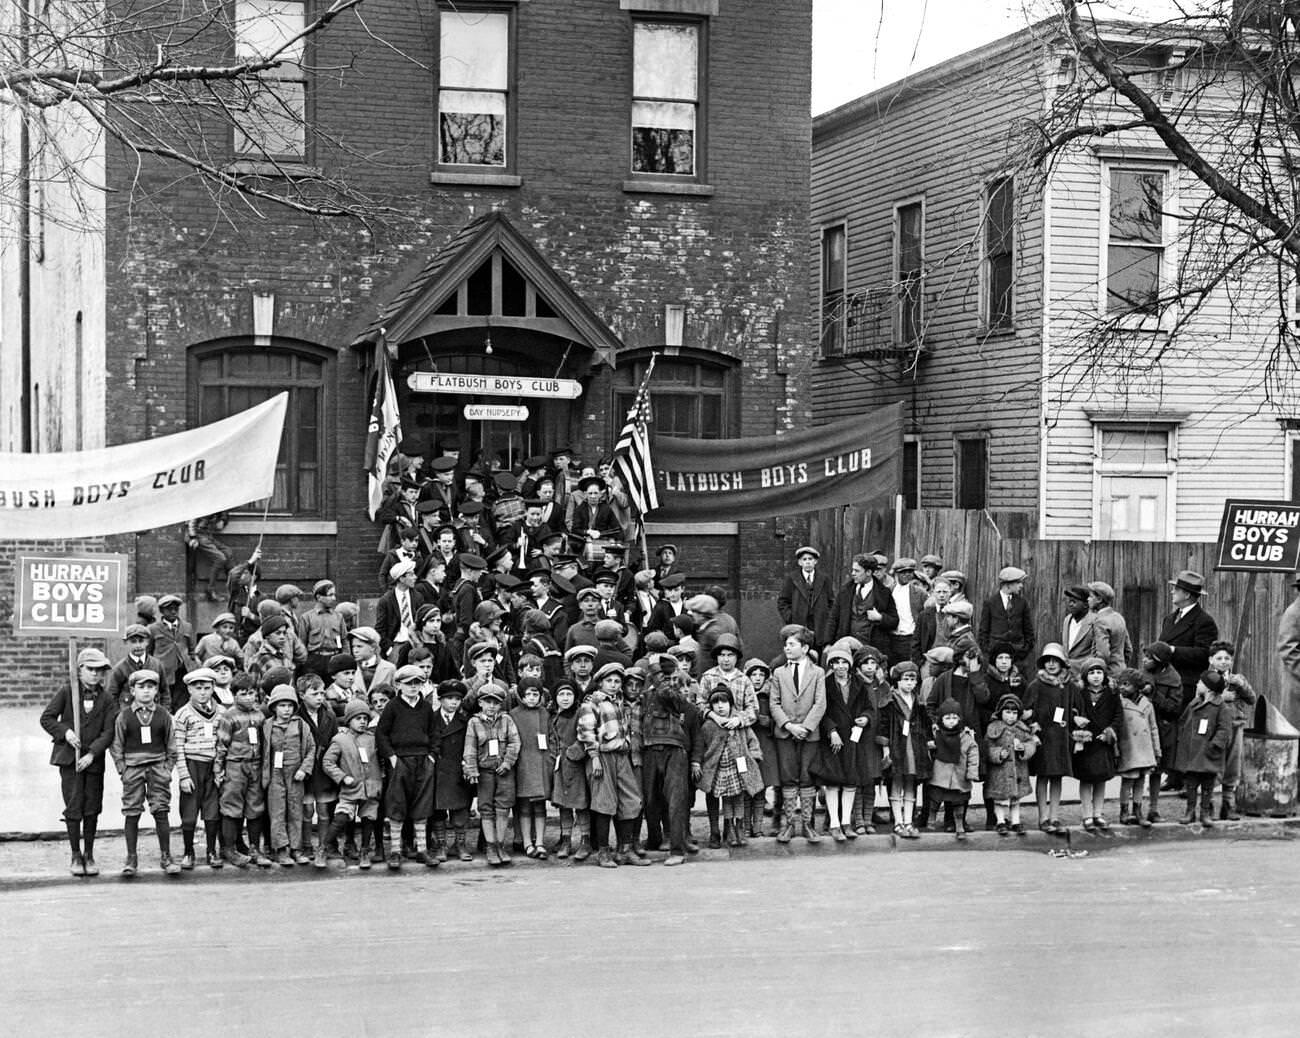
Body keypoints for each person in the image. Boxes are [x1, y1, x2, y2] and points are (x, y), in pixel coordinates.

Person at [40, 646, 118, 876]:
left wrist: (92, 753)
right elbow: (47, 718)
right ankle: (75, 854)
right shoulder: (67, 692)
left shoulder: (107, 699)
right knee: (73, 807)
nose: (95, 674)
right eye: (91, 669)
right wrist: (65, 732)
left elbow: (108, 731)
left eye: (100, 670)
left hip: (93, 763)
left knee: (92, 807)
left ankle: (89, 854)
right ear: (80, 669)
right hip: (69, 761)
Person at [110, 669, 179, 876]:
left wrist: (167, 768)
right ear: (132, 690)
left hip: (158, 767)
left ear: (157, 690)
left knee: (161, 810)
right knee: (132, 811)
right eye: (141, 687)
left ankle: (166, 855)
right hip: (133, 768)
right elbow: (116, 745)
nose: (146, 692)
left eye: (151, 687)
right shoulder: (124, 716)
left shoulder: (163, 715)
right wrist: (123, 769)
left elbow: (171, 744)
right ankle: (131, 857)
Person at [376, 664, 439, 869]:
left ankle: (421, 850)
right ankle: (395, 851)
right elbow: (382, 734)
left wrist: (431, 756)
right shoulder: (392, 707)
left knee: (422, 803)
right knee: (397, 803)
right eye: (408, 683)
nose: (413, 687)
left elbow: (434, 734)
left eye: (417, 683)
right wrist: (392, 757)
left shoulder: (426, 707)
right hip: (400, 761)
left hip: (423, 761)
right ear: (399, 685)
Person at [770, 624, 827, 844]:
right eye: (786, 645)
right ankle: (788, 825)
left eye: (792, 644)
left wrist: (806, 726)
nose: (787, 648)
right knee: (788, 778)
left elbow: (820, 703)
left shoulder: (818, 672)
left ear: (804, 648)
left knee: (807, 777)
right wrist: (789, 725)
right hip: (785, 734)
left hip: (809, 735)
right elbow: (774, 704)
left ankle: (808, 824)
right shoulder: (779, 672)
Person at [809, 645, 872, 841]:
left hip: (854, 738)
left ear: (850, 664)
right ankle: (834, 824)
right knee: (833, 782)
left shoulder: (859, 685)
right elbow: (821, 710)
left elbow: (869, 708)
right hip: (833, 741)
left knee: (851, 781)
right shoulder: (825, 684)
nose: (840, 666)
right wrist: (831, 730)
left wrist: (865, 718)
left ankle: (846, 822)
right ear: (831, 665)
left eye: (844, 662)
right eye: (836, 662)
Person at [691, 688, 765, 847]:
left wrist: (754, 756)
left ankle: (737, 828)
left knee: (737, 796)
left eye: (723, 702)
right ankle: (715, 832)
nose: (720, 706)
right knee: (714, 796)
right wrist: (697, 761)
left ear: (731, 703)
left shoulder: (739, 722)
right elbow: (700, 745)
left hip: (737, 767)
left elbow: (752, 741)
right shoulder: (708, 726)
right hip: (715, 768)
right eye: (715, 703)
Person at [321, 700, 385, 869]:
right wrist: (342, 777)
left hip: (371, 786)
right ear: (349, 720)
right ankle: (323, 848)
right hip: (351, 787)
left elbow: (381, 759)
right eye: (358, 718)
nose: (362, 721)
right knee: (341, 816)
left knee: (368, 818)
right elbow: (327, 762)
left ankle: (364, 851)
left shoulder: (373, 739)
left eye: (365, 718)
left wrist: (381, 777)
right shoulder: (340, 739)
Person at [173, 667, 225, 869]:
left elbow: (223, 742)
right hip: (193, 765)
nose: (203, 692)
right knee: (189, 812)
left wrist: (220, 769)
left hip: (213, 767)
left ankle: (211, 851)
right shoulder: (183, 714)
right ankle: (188, 851)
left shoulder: (221, 712)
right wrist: (184, 776)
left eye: (207, 687)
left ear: (213, 688)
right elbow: (177, 747)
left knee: (212, 812)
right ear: (189, 690)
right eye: (198, 688)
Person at [463, 685, 521, 867]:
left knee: (503, 807)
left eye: (495, 703)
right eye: (487, 702)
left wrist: (507, 763)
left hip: (504, 771)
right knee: (486, 808)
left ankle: (500, 845)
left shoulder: (507, 720)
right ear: (480, 703)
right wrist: (472, 770)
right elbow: (470, 749)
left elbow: (514, 742)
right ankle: (490, 846)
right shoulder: (474, 722)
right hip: (485, 772)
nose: (491, 706)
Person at [1022, 643, 1075, 834]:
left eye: (1056, 661)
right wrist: (1033, 728)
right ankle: (1043, 817)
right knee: (1043, 776)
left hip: (1060, 738)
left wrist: (1069, 725)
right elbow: (1027, 711)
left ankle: (1054, 815)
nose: (1051, 665)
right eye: (1048, 661)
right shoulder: (1036, 685)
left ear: (1062, 664)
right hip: (1042, 738)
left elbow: (1071, 709)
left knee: (1057, 777)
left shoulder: (1066, 686)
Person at [214, 673, 266, 868]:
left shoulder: (260, 715)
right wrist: (219, 770)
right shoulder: (229, 716)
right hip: (235, 765)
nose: (249, 698)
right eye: (243, 694)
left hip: (256, 764)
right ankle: (229, 848)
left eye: (252, 693)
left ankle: (254, 847)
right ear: (234, 695)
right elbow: (221, 744)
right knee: (232, 806)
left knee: (255, 806)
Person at [261, 684, 315, 866]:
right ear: (274, 707)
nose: (286, 710)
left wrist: (304, 769)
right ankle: (281, 849)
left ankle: (296, 848)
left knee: (295, 811)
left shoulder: (301, 724)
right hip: (275, 774)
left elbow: (311, 749)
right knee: (277, 811)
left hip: (295, 773)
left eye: (290, 705)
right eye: (282, 705)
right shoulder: (267, 726)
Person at [879, 660, 931, 838]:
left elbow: (925, 724)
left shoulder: (918, 702)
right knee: (896, 782)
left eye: (913, 679)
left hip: (915, 746)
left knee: (911, 783)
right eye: (906, 679)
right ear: (897, 681)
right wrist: (885, 748)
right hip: (897, 746)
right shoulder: (889, 701)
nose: (910, 683)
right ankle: (898, 822)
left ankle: (909, 821)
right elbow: (884, 726)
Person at [1174, 669, 1233, 826]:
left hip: (1209, 753)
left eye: (1200, 682)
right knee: (1191, 784)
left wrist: (1215, 745)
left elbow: (1225, 729)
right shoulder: (1194, 703)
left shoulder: (1221, 707)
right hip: (1192, 754)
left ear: (1208, 688)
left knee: (1208, 785)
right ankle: (1190, 811)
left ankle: (1205, 812)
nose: (1197, 684)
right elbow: (1183, 721)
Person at [1208, 640, 1257, 820]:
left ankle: (1227, 806)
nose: (1223, 661)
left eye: (1227, 658)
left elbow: (1251, 699)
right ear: (1211, 660)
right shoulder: (1206, 679)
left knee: (1233, 767)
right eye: (1219, 658)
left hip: (1236, 726)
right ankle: (1209, 805)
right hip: (1215, 729)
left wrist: (1242, 685)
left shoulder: (1237, 679)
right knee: (1214, 766)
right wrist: (1221, 696)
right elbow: (1200, 699)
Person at [1072, 658, 1121, 833]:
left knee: (1101, 779)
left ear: (1104, 675)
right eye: (1091, 673)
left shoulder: (1112, 694)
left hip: (1103, 743)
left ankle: (1097, 813)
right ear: (1085, 676)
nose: (1096, 676)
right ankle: (1086, 815)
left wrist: (1110, 731)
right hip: (1086, 743)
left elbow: (1118, 716)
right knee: (1086, 779)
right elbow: (1074, 712)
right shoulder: (1080, 694)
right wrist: (1077, 725)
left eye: (1099, 672)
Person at [430, 680, 474, 862]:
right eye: (449, 698)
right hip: (437, 770)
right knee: (438, 811)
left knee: (460, 810)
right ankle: (441, 845)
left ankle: (460, 844)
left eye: (457, 698)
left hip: (458, 769)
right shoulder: (431, 720)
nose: (454, 702)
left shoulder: (465, 722)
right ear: (440, 700)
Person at [298, 675, 339, 865]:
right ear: (301, 695)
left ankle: (323, 846)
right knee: (306, 809)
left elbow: (335, 740)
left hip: (323, 769)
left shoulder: (329, 716)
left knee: (323, 810)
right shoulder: (297, 716)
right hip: (305, 769)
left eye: (322, 693)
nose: (320, 697)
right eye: (314, 693)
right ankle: (306, 845)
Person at [550, 679, 593, 861]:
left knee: (580, 803)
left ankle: (585, 840)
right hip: (559, 765)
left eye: (569, 694)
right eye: (561, 694)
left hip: (576, 765)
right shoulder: (553, 715)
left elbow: (585, 735)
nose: (565, 698)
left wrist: (573, 752)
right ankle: (566, 839)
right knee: (563, 804)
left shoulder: (579, 714)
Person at [926, 697, 980, 840]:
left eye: (954, 718)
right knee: (935, 799)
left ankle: (959, 825)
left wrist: (972, 772)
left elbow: (973, 754)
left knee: (959, 802)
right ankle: (931, 819)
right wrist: (930, 747)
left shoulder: (966, 737)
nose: (951, 721)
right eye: (947, 718)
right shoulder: (936, 734)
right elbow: (928, 753)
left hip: (958, 776)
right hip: (939, 775)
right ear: (941, 719)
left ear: (959, 719)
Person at [984, 693, 1038, 835]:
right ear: (1000, 712)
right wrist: (997, 754)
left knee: (1015, 799)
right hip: (999, 772)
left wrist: (1024, 748)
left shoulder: (1022, 728)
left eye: (1014, 713)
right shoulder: (993, 728)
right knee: (1000, 799)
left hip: (1017, 770)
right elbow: (987, 747)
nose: (1011, 716)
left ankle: (1016, 821)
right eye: (1007, 712)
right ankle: (1000, 821)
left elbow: (1031, 743)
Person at [510, 677, 552, 858]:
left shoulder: (545, 714)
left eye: (536, 694)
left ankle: (540, 842)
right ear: (521, 696)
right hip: (523, 764)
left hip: (542, 763)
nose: (532, 698)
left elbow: (552, 737)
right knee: (525, 806)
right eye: (528, 694)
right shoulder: (514, 715)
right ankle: (527, 842)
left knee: (540, 806)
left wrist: (550, 759)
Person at [1142, 641, 1184, 821]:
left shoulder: (1174, 681)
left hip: (1162, 730)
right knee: (1134, 771)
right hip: (1141, 728)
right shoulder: (1144, 674)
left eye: (1149, 657)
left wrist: (1154, 694)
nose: (1145, 660)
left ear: (1160, 661)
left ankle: (1153, 809)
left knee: (1157, 771)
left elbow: (1174, 709)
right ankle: (1132, 808)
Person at [1115, 668, 1161, 828]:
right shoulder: (1119, 703)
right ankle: (1124, 811)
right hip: (1129, 747)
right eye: (1120, 684)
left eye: (1126, 684)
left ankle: (1138, 810)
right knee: (1127, 781)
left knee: (1141, 781)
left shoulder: (1147, 704)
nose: (1122, 688)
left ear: (1137, 686)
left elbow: (1153, 727)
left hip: (1145, 748)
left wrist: (1157, 750)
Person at [831, 553, 899, 656]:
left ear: (868, 572)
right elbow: (833, 617)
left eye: (857, 571)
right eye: (853, 570)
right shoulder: (845, 591)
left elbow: (894, 620)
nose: (853, 573)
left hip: (873, 650)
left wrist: (880, 618)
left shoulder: (884, 593)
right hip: (847, 648)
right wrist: (828, 643)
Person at [777, 546, 835, 649]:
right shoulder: (792, 579)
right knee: (800, 649)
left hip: (819, 624)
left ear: (815, 561)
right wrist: (791, 617)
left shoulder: (824, 579)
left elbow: (831, 602)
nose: (807, 562)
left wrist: (826, 618)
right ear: (799, 562)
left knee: (817, 652)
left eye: (810, 559)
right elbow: (783, 602)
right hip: (799, 623)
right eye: (804, 559)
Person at [977, 566, 1034, 668]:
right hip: (996, 657)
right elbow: (983, 631)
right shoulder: (990, 603)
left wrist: (1024, 650)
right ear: (1007, 584)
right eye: (1018, 583)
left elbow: (1028, 631)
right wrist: (989, 651)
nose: (1021, 586)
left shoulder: (1022, 603)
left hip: (1017, 658)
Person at [149, 593, 195, 711]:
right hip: (164, 670)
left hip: (183, 670)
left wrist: (192, 663)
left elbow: (191, 649)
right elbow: (149, 651)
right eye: (169, 609)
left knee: (182, 701)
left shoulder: (187, 626)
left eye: (176, 609)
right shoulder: (153, 628)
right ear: (161, 611)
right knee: (165, 700)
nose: (173, 612)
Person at [301, 580, 350, 679]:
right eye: (330, 595)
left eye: (334, 594)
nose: (334, 598)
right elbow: (301, 643)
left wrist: (346, 661)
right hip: (314, 661)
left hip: (334, 659)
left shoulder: (338, 617)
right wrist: (304, 664)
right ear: (319, 597)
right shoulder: (307, 617)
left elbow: (344, 641)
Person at [107, 624, 163, 703]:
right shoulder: (120, 668)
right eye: (133, 642)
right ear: (126, 642)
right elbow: (112, 695)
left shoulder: (157, 665)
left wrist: (163, 712)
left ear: (147, 642)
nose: (138, 645)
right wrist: (120, 714)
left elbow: (165, 693)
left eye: (141, 641)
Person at [1061, 585, 1108, 675]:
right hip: (1066, 675)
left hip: (1085, 675)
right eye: (1069, 601)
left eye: (1074, 601)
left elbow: (1099, 654)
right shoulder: (1067, 620)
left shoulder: (1096, 621)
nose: (1070, 604)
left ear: (1086, 605)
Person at [1087, 581, 1132, 675]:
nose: (1088, 599)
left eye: (1091, 597)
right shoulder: (1118, 617)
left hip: (1108, 674)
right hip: (1121, 671)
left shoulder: (1100, 621)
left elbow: (1103, 654)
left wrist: (1099, 674)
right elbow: (1128, 649)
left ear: (1099, 599)